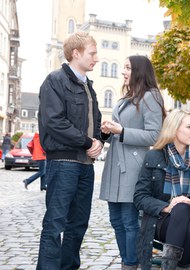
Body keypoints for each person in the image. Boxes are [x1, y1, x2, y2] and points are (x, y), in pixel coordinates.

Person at [36, 31, 103, 269]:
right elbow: (54, 122)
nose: (96, 58)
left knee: (78, 225)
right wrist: (88, 142)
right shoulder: (55, 81)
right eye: (92, 53)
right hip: (63, 163)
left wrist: (99, 140)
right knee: (55, 224)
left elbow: (93, 123)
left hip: (85, 166)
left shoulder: (89, 86)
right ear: (76, 53)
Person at [99, 55, 165, 270]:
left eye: (127, 67)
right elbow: (120, 129)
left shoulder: (151, 97)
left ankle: (130, 264)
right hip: (114, 165)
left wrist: (123, 131)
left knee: (129, 222)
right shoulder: (126, 98)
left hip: (134, 167)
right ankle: (127, 260)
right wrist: (108, 131)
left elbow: (155, 135)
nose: (123, 71)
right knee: (116, 221)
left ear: (139, 70)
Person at [134, 110, 190, 270]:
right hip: (162, 219)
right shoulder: (154, 156)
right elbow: (140, 197)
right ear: (174, 129)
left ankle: (167, 267)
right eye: (189, 127)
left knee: (183, 209)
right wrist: (168, 207)